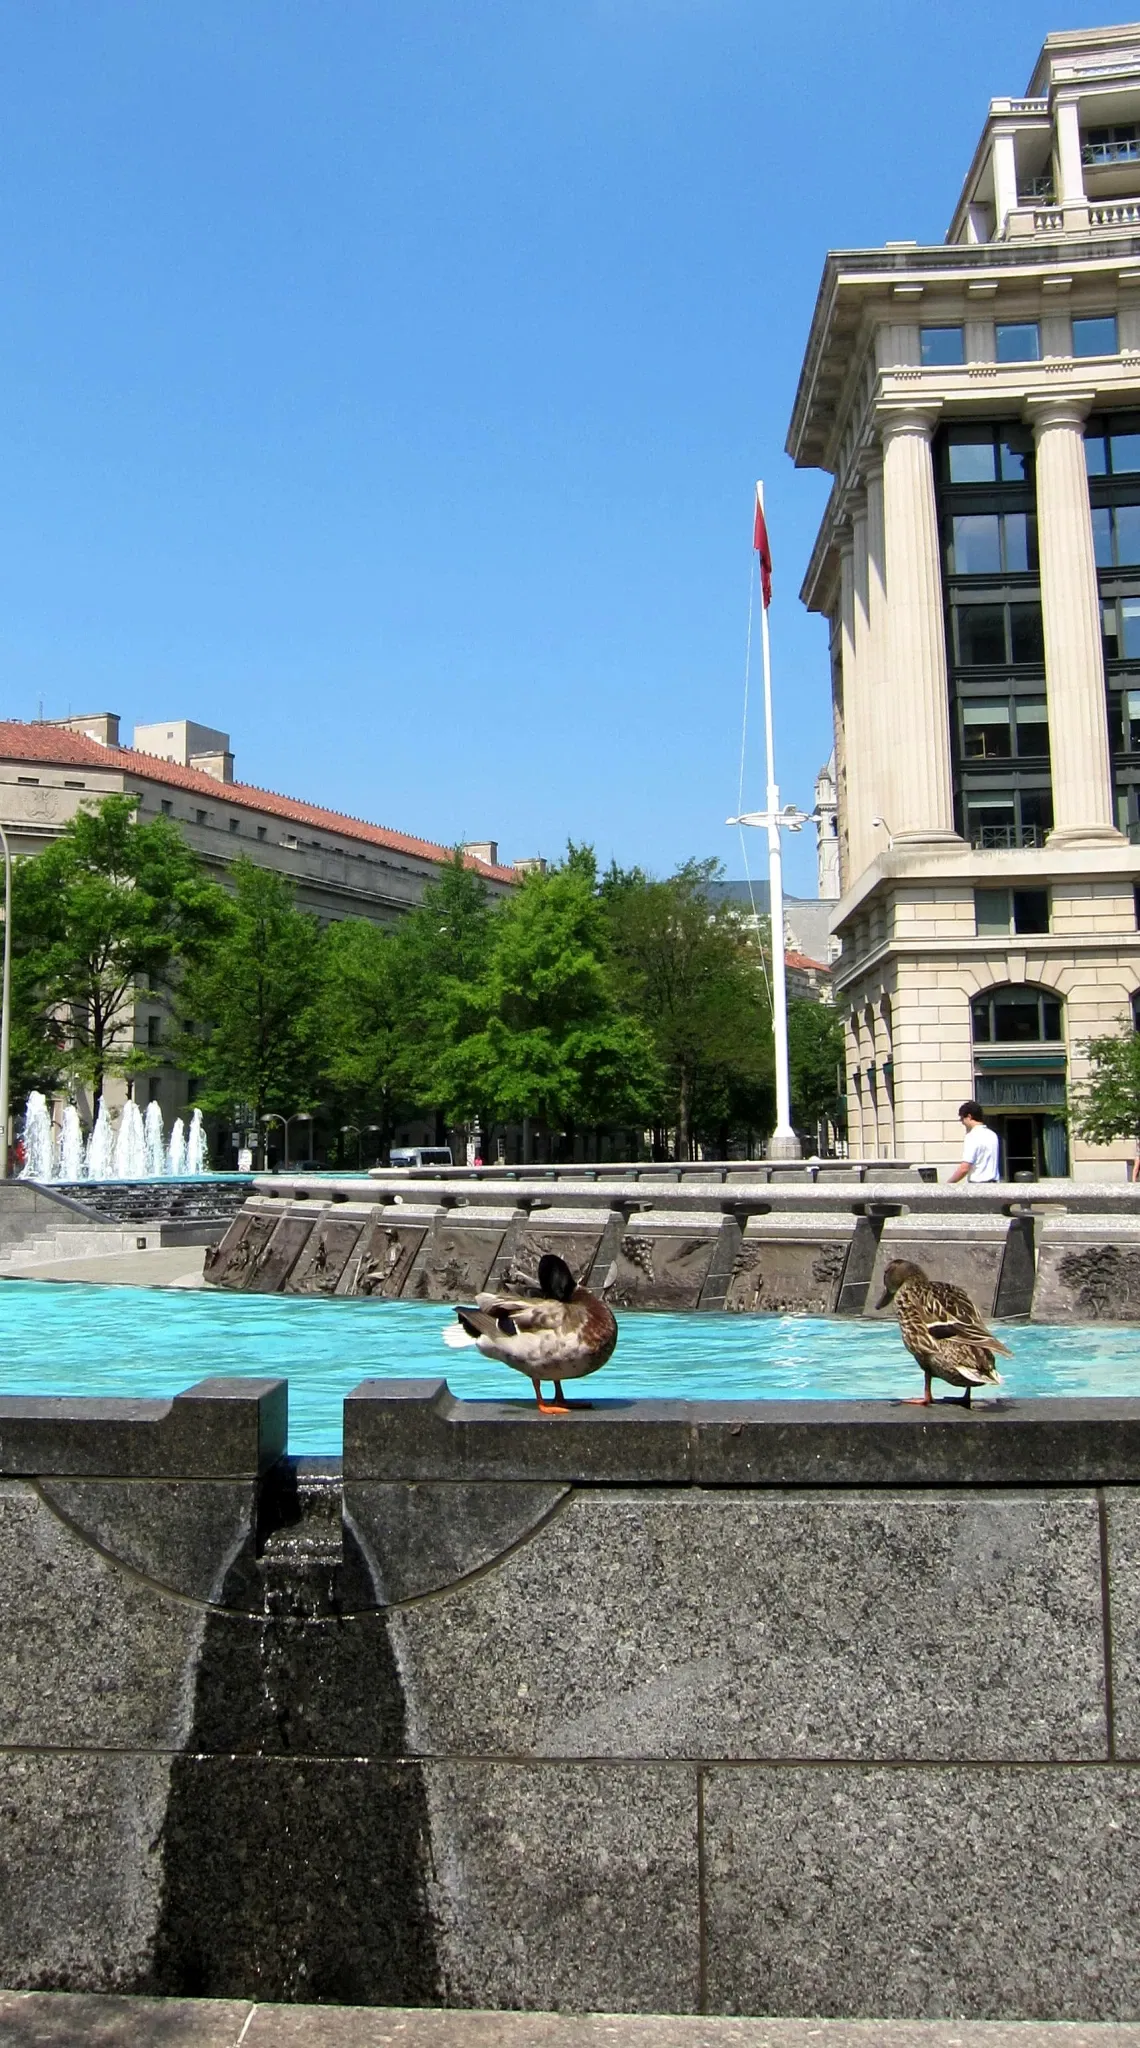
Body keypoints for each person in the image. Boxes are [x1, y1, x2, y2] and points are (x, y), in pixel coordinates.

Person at [948, 1100, 1000, 1184]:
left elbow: (964, 1168)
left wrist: (949, 1183)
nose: (962, 1122)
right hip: (994, 1186)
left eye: (962, 1118)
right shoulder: (993, 1135)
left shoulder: (972, 1136)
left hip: (978, 1187)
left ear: (969, 1116)